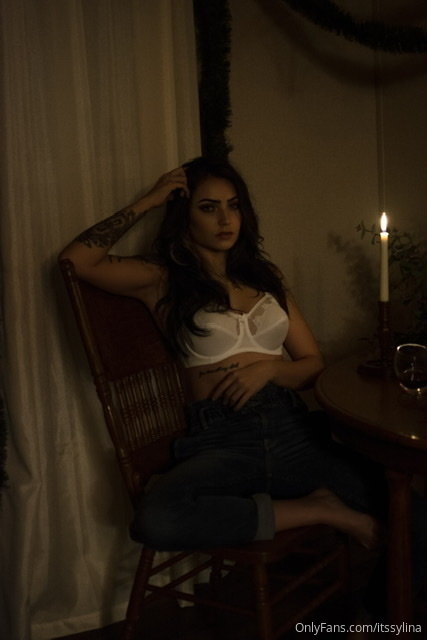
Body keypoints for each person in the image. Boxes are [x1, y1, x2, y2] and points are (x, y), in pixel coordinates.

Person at [59, 157, 384, 552]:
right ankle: (319, 509)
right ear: (184, 215)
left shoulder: (266, 278)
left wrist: (269, 370)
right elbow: (75, 262)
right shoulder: (161, 279)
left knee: (405, 506)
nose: (225, 219)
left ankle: (386, 594)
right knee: (156, 518)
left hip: (293, 432)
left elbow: (313, 366)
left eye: (233, 206)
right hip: (224, 438)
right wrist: (150, 200)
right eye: (208, 208)